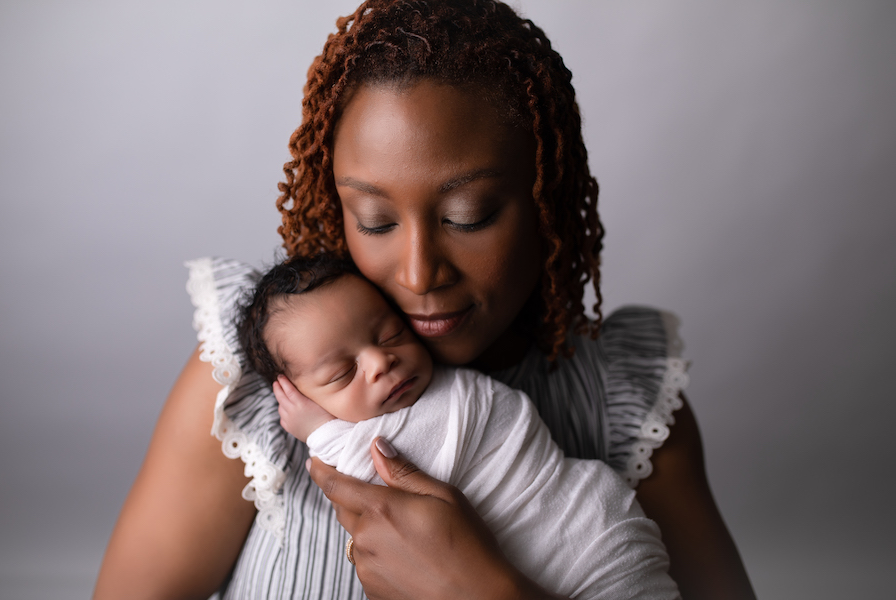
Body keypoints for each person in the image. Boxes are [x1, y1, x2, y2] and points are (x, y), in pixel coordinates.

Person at [93, 1, 756, 599]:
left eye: (468, 217)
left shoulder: (627, 412)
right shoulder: (261, 383)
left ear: (545, 206)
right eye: (376, 221)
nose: (418, 272)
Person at [236, 253, 680, 600]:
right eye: (340, 373)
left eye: (391, 335)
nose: (379, 361)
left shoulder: (451, 399)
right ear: (291, 393)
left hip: (587, 533)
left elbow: (374, 480)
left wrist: (319, 432)